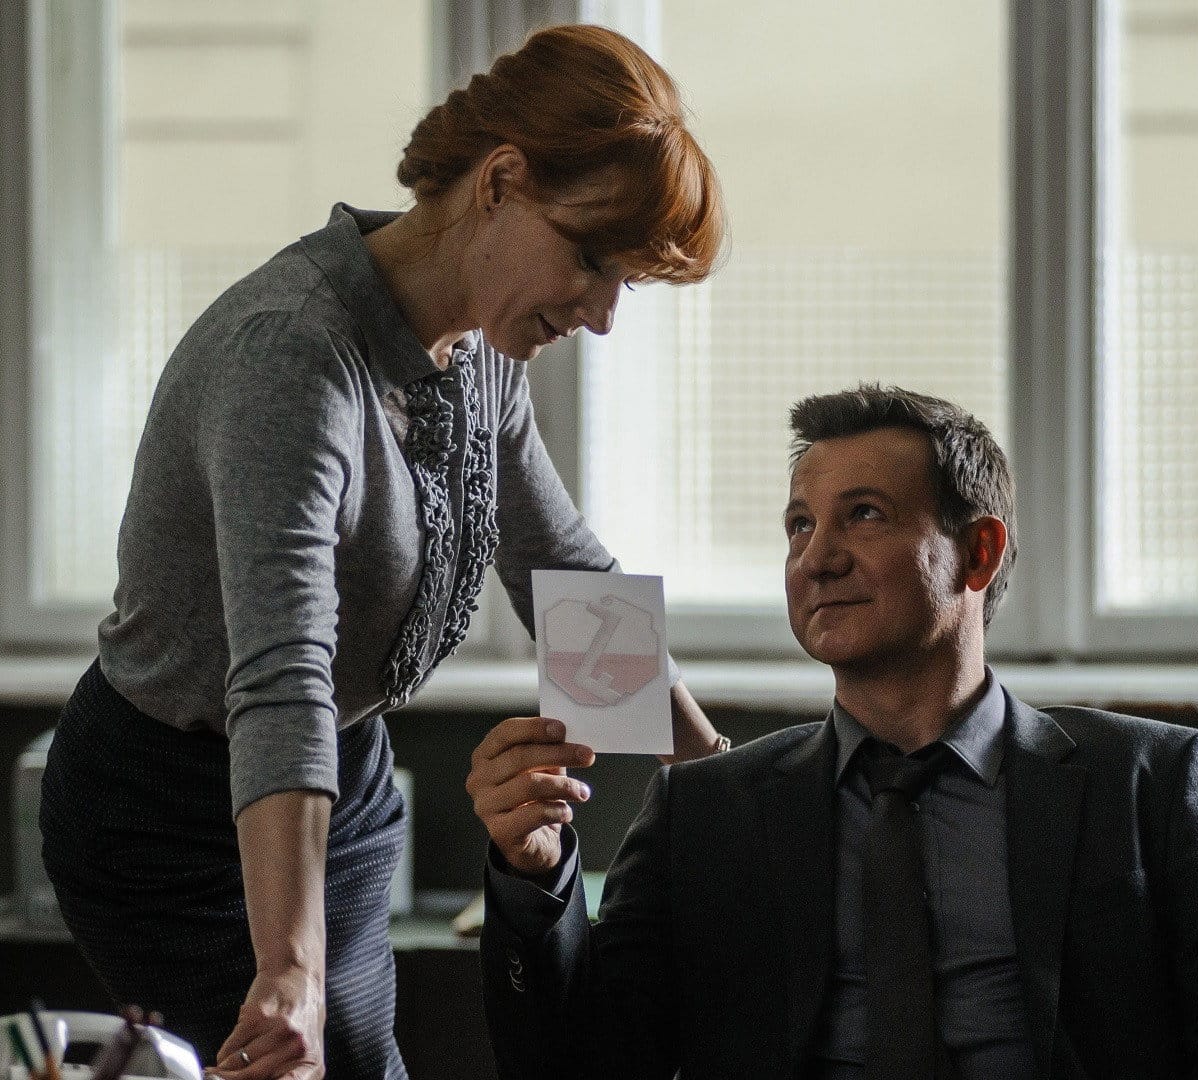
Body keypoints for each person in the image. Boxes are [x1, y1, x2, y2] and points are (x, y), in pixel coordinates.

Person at [39, 24, 729, 1080]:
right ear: (501, 181)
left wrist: (721, 784)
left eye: (624, 284)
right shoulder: (294, 356)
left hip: (342, 781)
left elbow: (563, 578)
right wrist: (289, 969)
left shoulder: (478, 349)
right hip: (165, 815)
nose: (600, 316)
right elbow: (282, 677)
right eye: (592, 261)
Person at [469, 385, 1198, 1080]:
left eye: (864, 515)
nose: (817, 558)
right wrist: (534, 876)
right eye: (800, 525)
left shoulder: (1149, 780)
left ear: (979, 552)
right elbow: (584, 1063)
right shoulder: (705, 810)